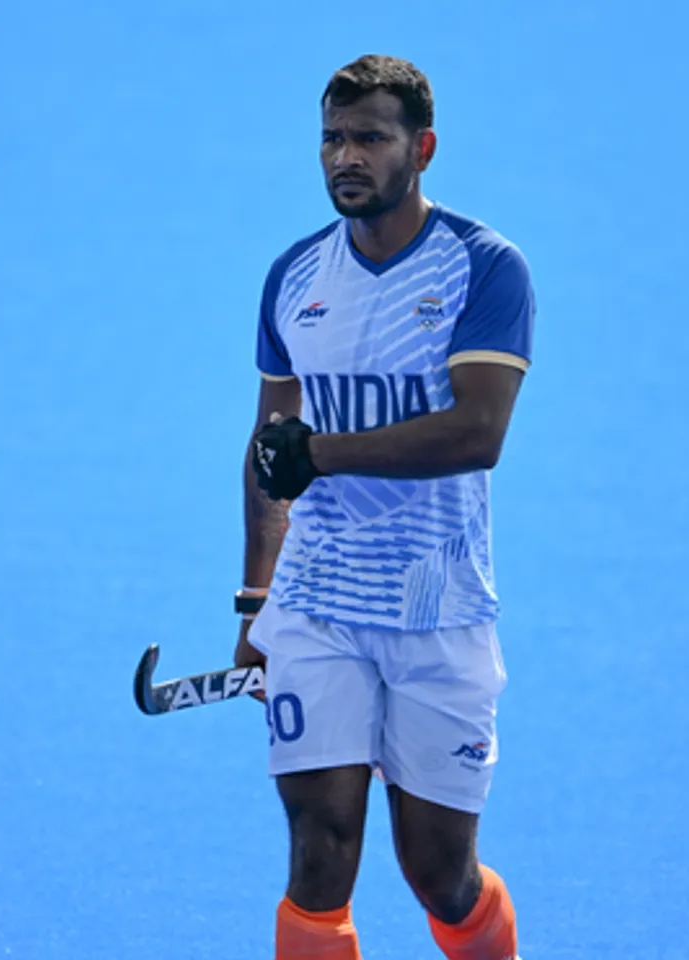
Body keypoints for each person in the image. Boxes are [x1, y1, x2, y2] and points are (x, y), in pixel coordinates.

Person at [235, 53, 535, 960]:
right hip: (319, 604)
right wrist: (256, 602)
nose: (344, 157)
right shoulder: (294, 276)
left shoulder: (485, 269)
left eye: (369, 137)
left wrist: (319, 454)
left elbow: (475, 432)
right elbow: (264, 453)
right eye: (332, 138)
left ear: (422, 148)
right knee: (319, 851)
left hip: (435, 610)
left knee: (438, 872)